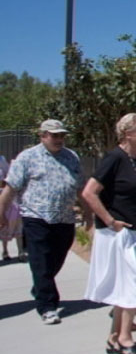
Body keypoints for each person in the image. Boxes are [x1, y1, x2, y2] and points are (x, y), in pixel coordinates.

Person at [82, 113, 136, 354]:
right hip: (122, 234)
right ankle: (126, 339)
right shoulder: (114, 158)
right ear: (127, 134)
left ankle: (114, 337)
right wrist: (111, 221)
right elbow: (89, 193)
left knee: (129, 284)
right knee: (132, 285)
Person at [0, 119, 85, 325]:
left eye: (62, 135)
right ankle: (47, 306)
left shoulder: (71, 157)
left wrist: (88, 213)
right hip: (36, 217)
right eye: (54, 135)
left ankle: (40, 286)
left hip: (64, 219)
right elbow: (11, 188)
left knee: (56, 260)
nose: (59, 139)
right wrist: (1, 212)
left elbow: (80, 187)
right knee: (41, 262)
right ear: (43, 136)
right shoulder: (27, 157)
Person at [0, 156, 24, 261]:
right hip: (5, 203)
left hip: (12, 203)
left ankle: (21, 251)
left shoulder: (1, 160)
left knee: (18, 228)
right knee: (4, 230)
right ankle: (5, 251)